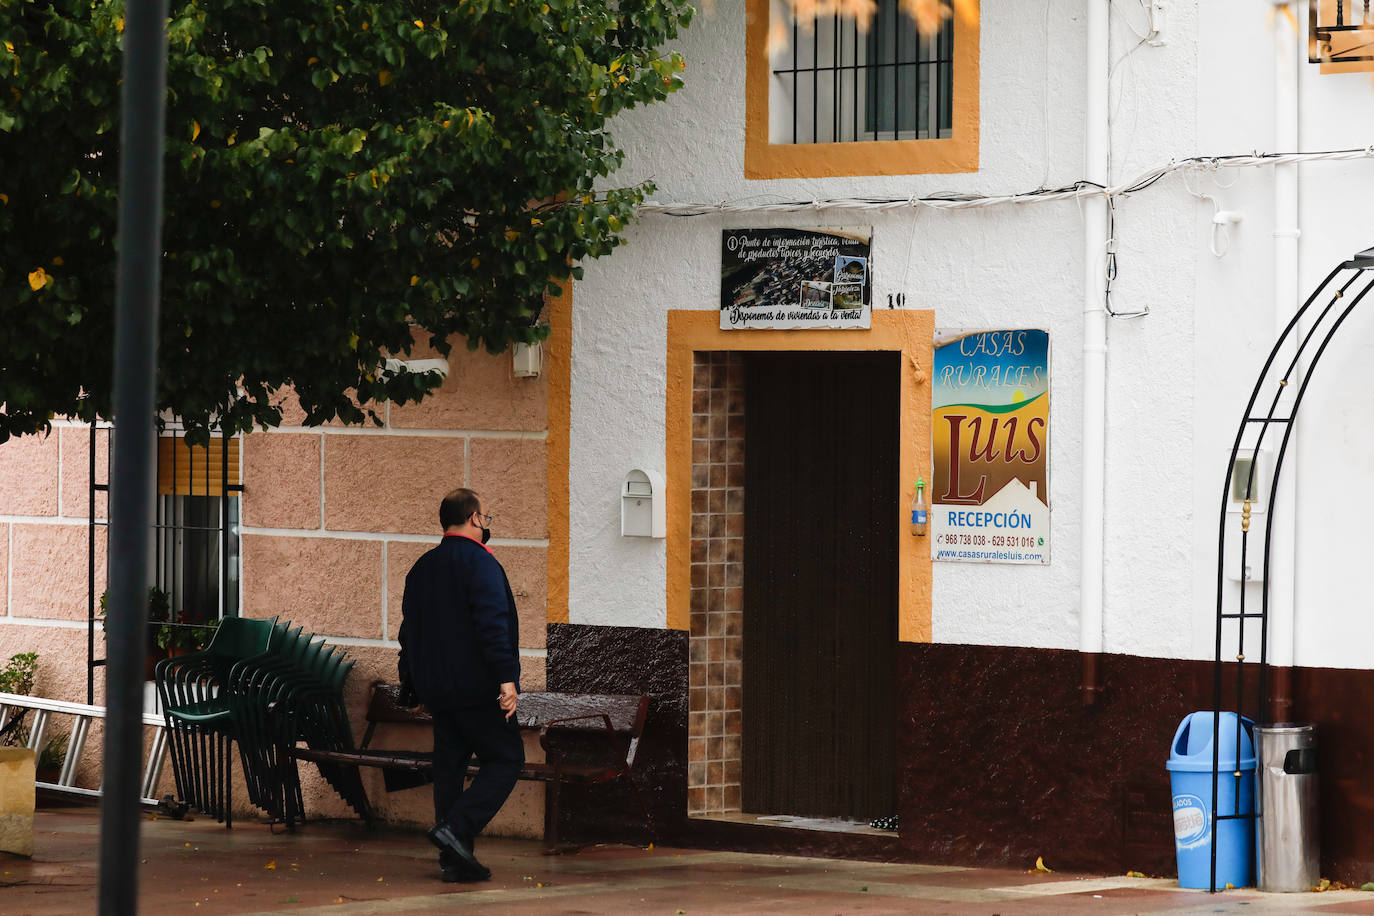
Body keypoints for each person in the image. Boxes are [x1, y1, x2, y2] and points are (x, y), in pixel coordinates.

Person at [397, 488, 523, 883]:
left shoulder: (423, 566)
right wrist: (507, 679)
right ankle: (456, 828)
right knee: (506, 759)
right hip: (477, 687)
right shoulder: (481, 563)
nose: (487, 524)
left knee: (449, 767)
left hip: (439, 691)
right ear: (473, 518)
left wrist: (412, 688)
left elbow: (409, 633)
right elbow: (492, 624)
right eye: (485, 517)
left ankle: (454, 861)